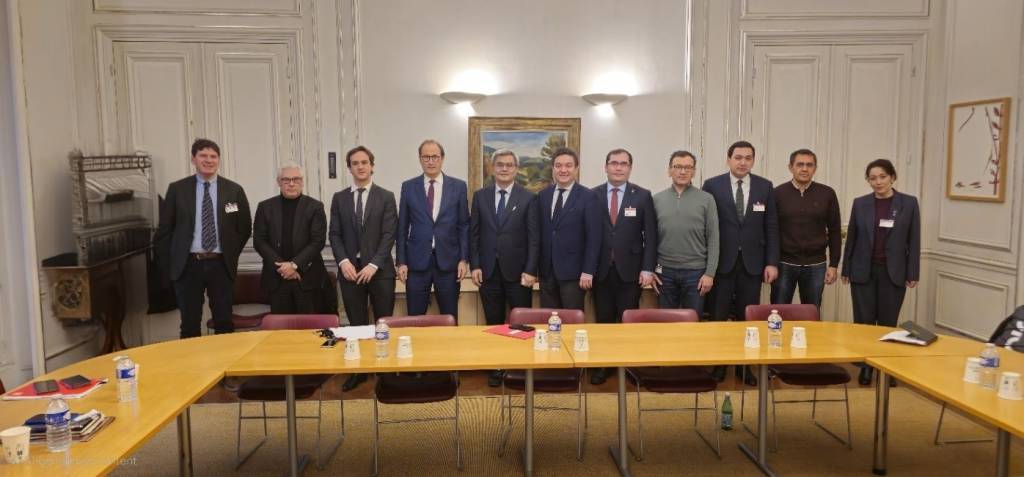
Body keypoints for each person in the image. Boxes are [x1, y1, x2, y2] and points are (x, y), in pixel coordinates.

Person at [154, 138, 252, 338]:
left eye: (213, 156)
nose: (209, 160)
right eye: (203, 156)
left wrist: (230, 252)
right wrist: (170, 266)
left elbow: (243, 228)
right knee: (189, 324)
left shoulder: (233, 191)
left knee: (224, 322)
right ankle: (192, 360)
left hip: (221, 265)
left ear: (219, 160)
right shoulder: (177, 190)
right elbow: (165, 231)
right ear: (193, 159)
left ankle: (225, 358)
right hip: (188, 266)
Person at [702, 140, 779, 384]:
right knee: (718, 316)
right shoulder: (712, 185)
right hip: (721, 263)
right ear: (728, 159)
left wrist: (772, 262)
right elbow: (705, 227)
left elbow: (771, 227)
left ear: (753, 160)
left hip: (752, 264)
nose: (742, 162)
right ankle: (719, 364)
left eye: (748, 158)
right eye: (738, 157)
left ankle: (744, 367)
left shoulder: (765, 187)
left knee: (748, 318)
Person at [842, 158, 920, 385]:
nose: (878, 182)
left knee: (888, 322)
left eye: (883, 177)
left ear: (892, 177)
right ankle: (865, 367)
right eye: (873, 178)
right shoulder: (860, 203)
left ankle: (887, 369)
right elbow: (852, 238)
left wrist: (913, 272)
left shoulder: (908, 203)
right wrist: (846, 268)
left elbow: (914, 239)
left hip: (893, 272)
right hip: (862, 271)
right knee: (864, 323)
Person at [329, 145, 398, 391]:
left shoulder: (386, 196)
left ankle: (384, 370)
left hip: (380, 271)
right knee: (356, 325)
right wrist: (343, 261)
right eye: (355, 163)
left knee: (382, 323)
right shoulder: (339, 198)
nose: (360, 166)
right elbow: (334, 234)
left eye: (364, 162)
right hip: (350, 271)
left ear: (372, 166)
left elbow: (389, 234)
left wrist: (373, 264)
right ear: (349, 168)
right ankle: (359, 371)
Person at [470, 149, 540, 386]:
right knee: (494, 322)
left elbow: (534, 238)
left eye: (509, 165)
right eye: (500, 164)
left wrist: (531, 270)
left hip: (519, 273)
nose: (504, 168)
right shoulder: (480, 196)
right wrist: (475, 265)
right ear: (492, 168)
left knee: (520, 323)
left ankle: (519, 367)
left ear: (516, 169)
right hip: (488, 272)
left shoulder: (528, 198)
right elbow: (474, 234)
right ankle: (496, 366)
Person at [589, 148, 657, 385]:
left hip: (631, 271)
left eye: (623, 163)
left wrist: (648, 268)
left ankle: (629, 365)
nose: (618, 167)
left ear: (630, 168)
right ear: (606, 167)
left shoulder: (642, 196)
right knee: (604, 321)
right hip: (601, 271)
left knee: (628, 321)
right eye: (614, 163)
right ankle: (604, 365)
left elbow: (651, 235)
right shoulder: (593, 195)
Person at [396, 139, 470, 317]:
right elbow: (402, 227)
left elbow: (464, 226)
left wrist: (463, 259)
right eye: (426, 157)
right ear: (420, 159)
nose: (430, 161)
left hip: (449, 263)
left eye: (435, 157)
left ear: (442, 158)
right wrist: (401, 261)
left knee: (450, 317)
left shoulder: (458, 187)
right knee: (415, 317)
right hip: (416, 263)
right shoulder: (408, 187)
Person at [252, 162, 328, 314]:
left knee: (309, 326)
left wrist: (294, 265)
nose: (291, 184)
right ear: (279, 182)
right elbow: (259, 241)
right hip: (276, 278)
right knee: (280, 326)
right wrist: (283, 268)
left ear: (302, 181)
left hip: (306, 278)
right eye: (286, 180)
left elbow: (318, 241)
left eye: (296, 179)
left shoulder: (315, 207)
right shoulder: (265, 207)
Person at [771, 149, 841, 308]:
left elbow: (835, 231)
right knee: (778, 311)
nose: (804, 169)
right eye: (800, 164)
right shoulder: (777, 193)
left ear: (815, 168)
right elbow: (771, 231)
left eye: (809, 165)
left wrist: (834, 264)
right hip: (784, 264)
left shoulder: (827, 193)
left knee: (811, 311)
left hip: (816, 264)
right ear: (790, 167)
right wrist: (770, 263)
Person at [652, 151, 718, 316]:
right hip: (664, 272)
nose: (683, 171)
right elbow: (650, 239)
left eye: (688, 167)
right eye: (677, 167)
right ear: (669, 170)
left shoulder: (707, 199)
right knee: (666, 321)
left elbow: (713, 238)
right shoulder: (656, 199)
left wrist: (710, 273)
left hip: (696, 273)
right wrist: (650, 269)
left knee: (693, 321)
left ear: (694, 171)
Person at [538, 147, 602, 310]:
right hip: (546, 273)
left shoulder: (588, 197)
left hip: (574, 273)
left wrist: (588, 270)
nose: (563, 170)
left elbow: (594, 238)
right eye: (558, 165)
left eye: (568, 165)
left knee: (572, 319)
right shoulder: (543, 196)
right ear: (553, 169)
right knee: (549, 319)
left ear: (576, 169)